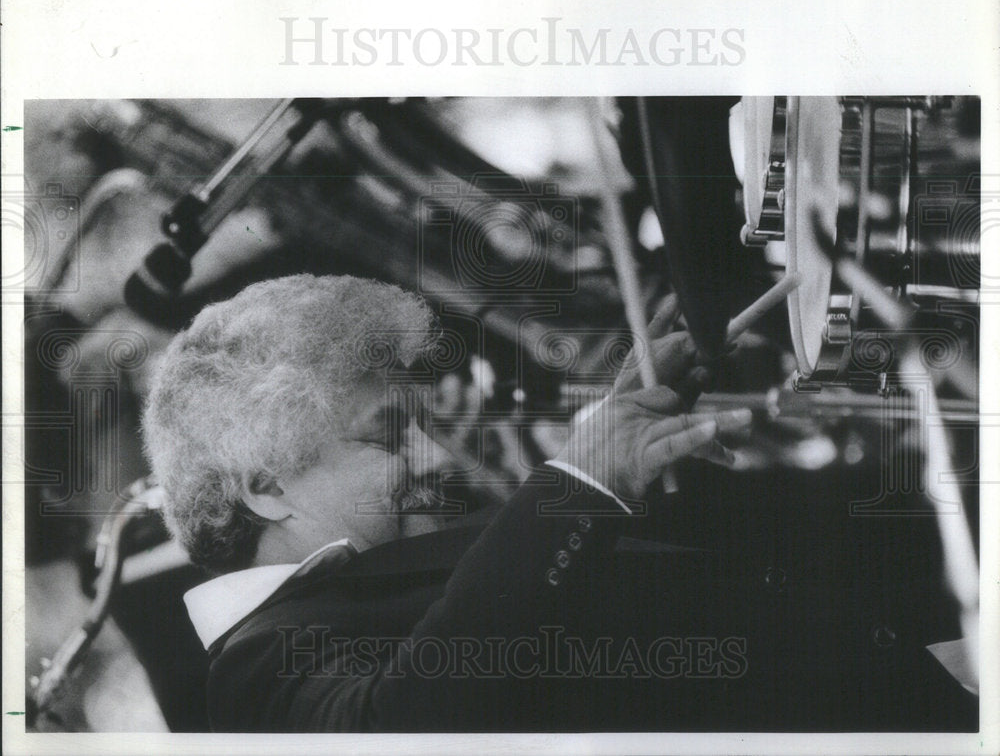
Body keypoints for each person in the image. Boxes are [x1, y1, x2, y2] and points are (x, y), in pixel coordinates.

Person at [143, 273, 975, 732]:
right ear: (264, 484)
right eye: (385, 434)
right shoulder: (253, 671)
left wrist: (631, 444)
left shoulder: (372, 569)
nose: (433, 454)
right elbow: (406, 722)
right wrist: (576, 486)